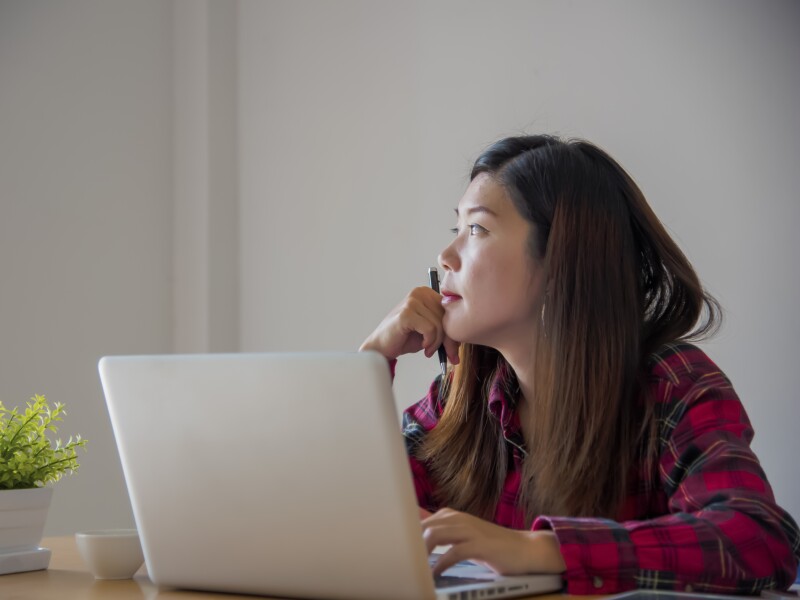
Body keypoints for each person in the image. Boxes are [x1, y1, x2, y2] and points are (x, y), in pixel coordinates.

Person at [360, 135, 800, 595]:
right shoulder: (460, 396)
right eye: (456, 230)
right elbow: (347, 515)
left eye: (477, 230)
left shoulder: (671, 384)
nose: (445, 257)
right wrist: (373, 361)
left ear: (559, 264)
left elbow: (755, 539)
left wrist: (539, 550)